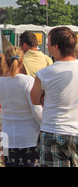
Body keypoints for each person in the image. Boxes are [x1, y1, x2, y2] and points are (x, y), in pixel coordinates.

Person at [31, 26, 78, 167]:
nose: (46, 45)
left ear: (55, 47)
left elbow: (34, 99)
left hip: (53, 131)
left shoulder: (44, 74)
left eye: (48, 42)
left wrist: (45, 95)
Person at [0, 46, 43, 167]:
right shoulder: (28, 81)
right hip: (29, 137)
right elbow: (36, 110)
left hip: (7, 135)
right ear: (22, 61)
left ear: (5, 60)